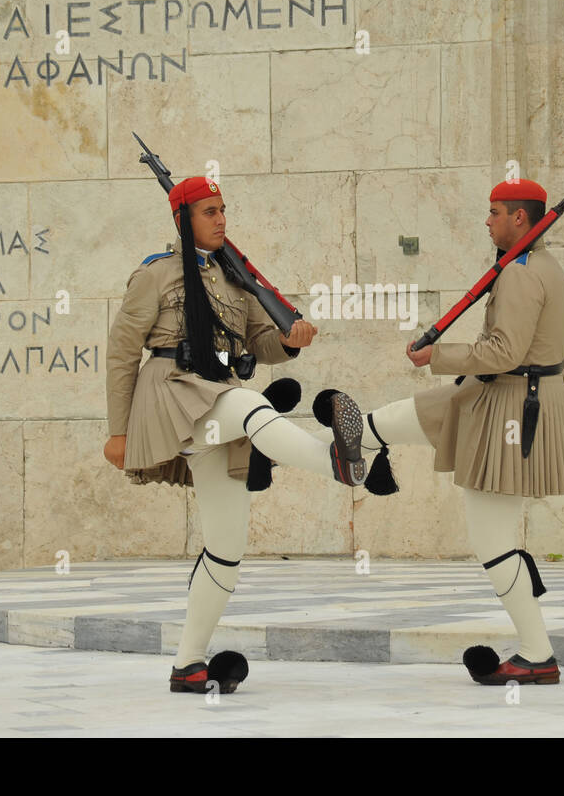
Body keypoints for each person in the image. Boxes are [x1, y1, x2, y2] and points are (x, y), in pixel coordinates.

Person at [313, 178, 564, 684]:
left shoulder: (520, 274)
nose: (488, 220)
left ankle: (537, 655)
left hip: (512, 406)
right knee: (407, 415)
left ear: (521, 218)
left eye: (495, 211)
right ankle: (363, 446)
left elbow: (505, 353)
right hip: (507, 395)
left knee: (493, 540)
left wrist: (438, 355)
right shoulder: (549, 269)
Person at [103, 175, 368, 694]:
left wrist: (291, 341)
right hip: (172, 393)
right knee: (250, 404)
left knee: (226, 546)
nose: (221, 219)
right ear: (183, 219)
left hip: (214, 396)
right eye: (208, 211)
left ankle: (188, 665)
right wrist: (117, 432)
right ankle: (335, 461)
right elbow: (121, 352)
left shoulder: (232, 280)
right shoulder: (154, 275)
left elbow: (259, 344)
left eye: (224, 209)